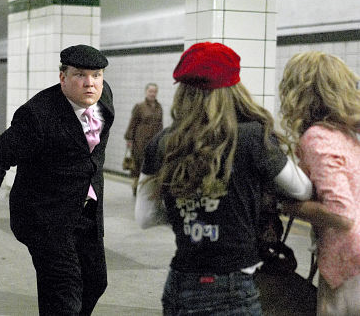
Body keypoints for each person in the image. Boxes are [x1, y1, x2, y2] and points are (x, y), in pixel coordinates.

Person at [134, 42, 318, 315]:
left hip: (180, 280)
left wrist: (192, 207)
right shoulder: (253, 137)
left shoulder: (162, 143)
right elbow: (302, 189)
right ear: (234, 87)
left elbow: (145, 217)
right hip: (232, 285)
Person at [0, 44, 114, 316]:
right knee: (64, 292)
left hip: (86, 212)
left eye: (97, 75)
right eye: (80, 75)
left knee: (95, 282)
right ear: (62, 78)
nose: (90, 83)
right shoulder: (38, 117)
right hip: (44, 217)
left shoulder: (104, 99)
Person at [279, 50, 360, 315]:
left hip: (346, 264)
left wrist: (288, 207)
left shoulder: (318, 137)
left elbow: (341, 212)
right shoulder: (347, 133)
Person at [124, 82, 163, 195]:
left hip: (154, 141)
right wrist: (129, 139)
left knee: (152, 164)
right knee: (137, 166)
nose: (152, 94)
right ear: (146, 92)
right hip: (140, 142)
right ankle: (136, 188)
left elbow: (160, 124)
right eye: (150, 91)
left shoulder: (159, 107)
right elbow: (132, 124)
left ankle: (147, 189)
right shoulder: (139, 107)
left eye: (155, 91)